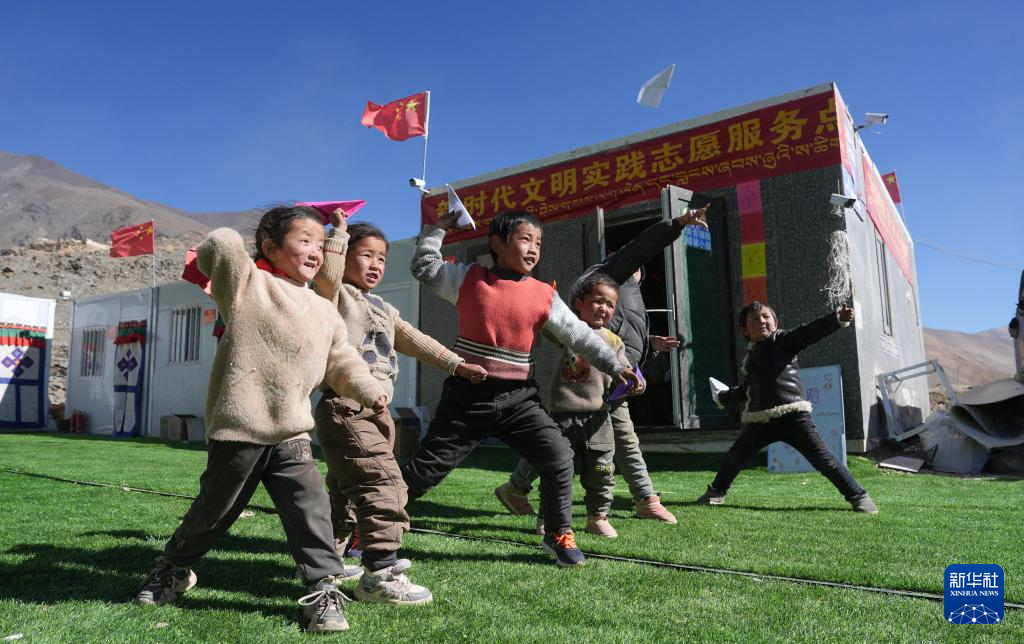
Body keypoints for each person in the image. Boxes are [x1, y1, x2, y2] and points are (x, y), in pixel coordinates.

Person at [133, 206, 388, 633]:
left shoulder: (324, 309)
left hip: (293, 432)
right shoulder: (247, 284)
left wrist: (368, 389)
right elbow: (221, 247)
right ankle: (172, 569)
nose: (316, 250)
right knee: (214, 511)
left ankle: (323, 590)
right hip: (239, 428)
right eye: (303, 240)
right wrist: (237, 241)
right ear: (271, 248)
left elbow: (343, 361)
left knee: (312, 511)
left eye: (320, 243)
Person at [401, 210, 639, 567]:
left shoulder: (544, 294)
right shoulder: (469, 278)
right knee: (426, 470)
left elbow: (578, 335)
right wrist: (437, 230)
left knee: (558, 455)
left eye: (538, 243)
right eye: (525, 239)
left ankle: (558, 533)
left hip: (520, 398)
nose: (533, 249)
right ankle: (369, 520)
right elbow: (424, 267)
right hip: (468, 395)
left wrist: (616, 366)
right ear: (497, 244)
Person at [311, 209, 486, 605]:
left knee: (345, 490)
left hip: (376, 412)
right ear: (342, 256)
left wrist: (457, 364)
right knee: (384, 485)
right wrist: (338, 233)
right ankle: (380, 573)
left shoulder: (384, 308)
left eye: (382, 258)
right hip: (345, 407)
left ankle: (328, 560)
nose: (376, 264)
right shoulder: (332, 297)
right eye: (365, 255)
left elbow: (416, 340)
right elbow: (327, 276)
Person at [496, 205, 709, 525]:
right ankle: (638, 500)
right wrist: (678, 223)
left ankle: (642, 499)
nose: (639, 269)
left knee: (613, 439)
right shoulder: (610, 276)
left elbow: (619, 335)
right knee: (580, 440)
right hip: (594, 382)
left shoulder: (626, 291)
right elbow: (641, 247)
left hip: (617, 380)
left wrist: (650, 345)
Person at [697, 301, 879, 513]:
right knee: (735, 456)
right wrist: (723, 396)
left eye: (766, 317)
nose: (761, 321)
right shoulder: (751, 358)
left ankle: (858, 496)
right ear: (745, 330)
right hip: (760, 421)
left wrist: (836, 319)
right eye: (754, 319)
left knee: (823, 459)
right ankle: (716, 492)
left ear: (775, 323)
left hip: (793, 417)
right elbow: (747, 389)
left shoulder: (782, 340)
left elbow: (808, 332)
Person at [501, 272, 637, 538]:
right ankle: (548, 517)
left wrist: (636, 383)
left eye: (610, 305)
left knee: (602, 469)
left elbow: (626, 371)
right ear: (579, 304)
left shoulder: (614, 341)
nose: (604, 308)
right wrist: (546, 300)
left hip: (599, 418)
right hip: (561, 416)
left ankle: (597, 517)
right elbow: (548, 324)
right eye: (598, 301)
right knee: (555, 467)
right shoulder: (570, 331)